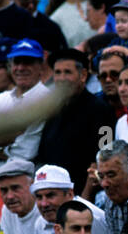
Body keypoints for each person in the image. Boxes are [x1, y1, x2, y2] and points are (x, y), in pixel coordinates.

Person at [38, 48, 115, 186]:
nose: (61, 78)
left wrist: (86, 196)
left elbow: (106, 154)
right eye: (57, 73)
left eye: (67, 72)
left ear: (83, 75)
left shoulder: (102, 110)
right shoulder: (51, 110)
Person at [31, 164, 110, 234]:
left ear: (69, 194)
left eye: (50, 195)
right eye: (39, 197)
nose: (44, 204)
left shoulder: (93, 218)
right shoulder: (41, 222)